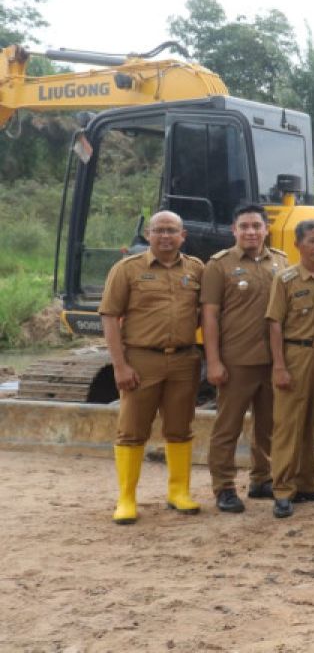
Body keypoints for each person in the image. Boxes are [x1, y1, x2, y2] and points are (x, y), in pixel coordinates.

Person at [100, 210, 205, 525]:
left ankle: (178, 492)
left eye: (172, 230)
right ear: (148, 234)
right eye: (159, 230)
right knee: (132, 430)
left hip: (184, 360)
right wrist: (119, 365)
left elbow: (207, 313)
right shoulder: (127, 270)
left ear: (183, 236)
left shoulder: (197, 269)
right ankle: (127, 498)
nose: (165, 236)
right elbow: (108, 317)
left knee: (180, 427)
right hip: (141, 360)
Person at [201, 203, 289, 513]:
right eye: (244, 226)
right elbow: (209, 316)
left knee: (268, 426)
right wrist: (213, 361)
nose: (251, 231)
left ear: (266, 229)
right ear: (234, 230)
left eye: (256, 226)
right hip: (236, 361)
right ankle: (224, 486)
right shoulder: (219, 266)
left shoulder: (280, 263)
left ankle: (261, 478)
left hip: (271, 361)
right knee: (228, 427)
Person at [265, 220, 314, 519]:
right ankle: (282, 489)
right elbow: (274, 323)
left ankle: (306, 484)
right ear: (298, 244)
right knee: (287, 426)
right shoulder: (286, 280)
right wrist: (279, 366)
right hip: (294, 355)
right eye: (312, 241)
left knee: (311, 423)